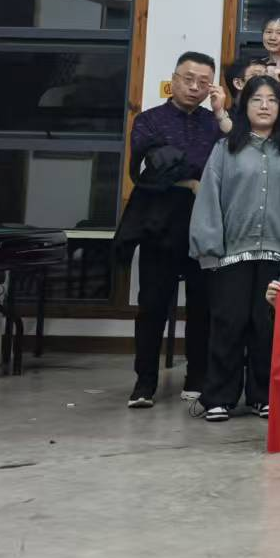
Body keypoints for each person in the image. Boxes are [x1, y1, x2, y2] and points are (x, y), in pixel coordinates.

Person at [187, 75, 280, 422]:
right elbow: (209, 197)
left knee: (267, 326)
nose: (264, 106)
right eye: (257, 99)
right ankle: (219, 396)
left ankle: (264, 395)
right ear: (245, 106)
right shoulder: (225, 148)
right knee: (228, 323)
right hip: (231, 252)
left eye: (272, 100)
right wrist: (209, 247)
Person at [119, 50, 227, 408]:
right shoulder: (149, 120)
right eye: (188, 79)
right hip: (160, 225)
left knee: (203, 305)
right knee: (152, 305)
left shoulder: (215, 124)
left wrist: (185, 173)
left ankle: (196, 377)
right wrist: (193, 181)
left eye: (203, 82)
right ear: (174, 79)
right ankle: (144, 383)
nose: (195, 87)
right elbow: (149, 170)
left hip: (205, 225)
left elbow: (225, 167)